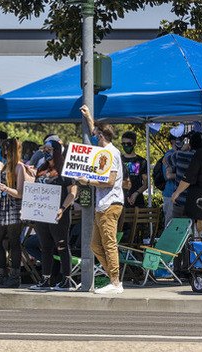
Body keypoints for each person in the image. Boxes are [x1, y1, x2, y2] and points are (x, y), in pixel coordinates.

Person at [77, 105, 124, 295]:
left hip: (109, 205)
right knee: (96, 245)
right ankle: (113, 278)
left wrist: (88, 180)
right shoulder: (106, 151)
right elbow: (94, 128)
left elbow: (111, 181)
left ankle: (115, 282)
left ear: (101, 136)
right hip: (103, 205)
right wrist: (89, 117)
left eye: (96, 134)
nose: (94, 135)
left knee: (108, 244)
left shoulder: (111, 154)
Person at [29, 140, 78, 291]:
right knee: (45, 247)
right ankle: (46, 279)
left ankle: (67, 279)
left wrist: (63, 208)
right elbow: (35, 191)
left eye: (49, 149)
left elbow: (73, 193)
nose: (45, 152)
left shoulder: (65, 170)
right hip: (42, 214)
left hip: (59, 214)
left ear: (56, 151)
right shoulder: (41, 169)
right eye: (44, 149)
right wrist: (29, 208)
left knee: (62, 245)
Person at [0, 137, 27, 288]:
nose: (4, 151)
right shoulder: (5, 166)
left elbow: (20, 192)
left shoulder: (19, 167)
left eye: (7, 149)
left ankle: (14, 276)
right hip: (2, 206)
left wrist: (5, 188)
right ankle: (2, 274)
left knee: (14, 241)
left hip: (13, 206)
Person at [172, 132, 202, 235]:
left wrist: (177, 193)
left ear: (189, 144)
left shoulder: (196, 155)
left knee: (195, 231)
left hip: (196, 201)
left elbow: (189, 177)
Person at [120, 131, 148, 208]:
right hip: (121, 200)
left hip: (138, 201)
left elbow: (146, 183)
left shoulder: (142, 161)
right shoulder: (119, 160)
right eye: (123, 144)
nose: (126, 146)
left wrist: (136, 193)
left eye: (128, 144)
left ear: (134, 144)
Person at [161, 127, 183, 224]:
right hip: (170, 195)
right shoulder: (169, 155)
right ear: (172, 141)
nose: (181, 141)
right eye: (179, 139)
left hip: (178, 195)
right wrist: (184, 175)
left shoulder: (181, 154)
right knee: (170, 225)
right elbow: (168, 175)